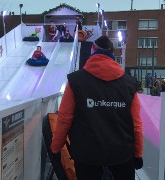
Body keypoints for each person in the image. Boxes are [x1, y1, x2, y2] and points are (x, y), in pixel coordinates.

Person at [51, 36, 143, 180]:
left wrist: (56, 148)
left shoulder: (75, 81)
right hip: (122, 155)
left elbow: (64, 119)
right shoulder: (129, 84)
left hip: (87, 156)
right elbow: (136, 125)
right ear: (113, 54)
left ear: (92, 51)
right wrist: (138, 154)